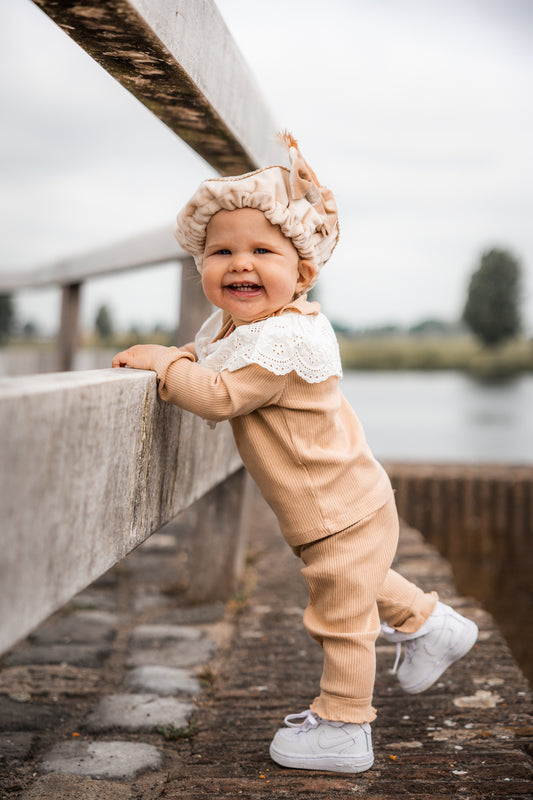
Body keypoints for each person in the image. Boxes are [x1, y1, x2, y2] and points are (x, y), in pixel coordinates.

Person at [112, 133, 478, 774]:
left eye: (261, 251)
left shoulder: (279, 345)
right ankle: (430, 624)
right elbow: (217, 359)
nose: (239, 264)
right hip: (344, 505)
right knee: (358, 582)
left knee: (341, 617)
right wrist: (189, 353)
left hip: (339, 509)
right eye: (221, 251)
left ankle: (343, 726)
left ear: (302, 273)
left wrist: (163, 360)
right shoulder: (253, 327)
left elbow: (220, 395)